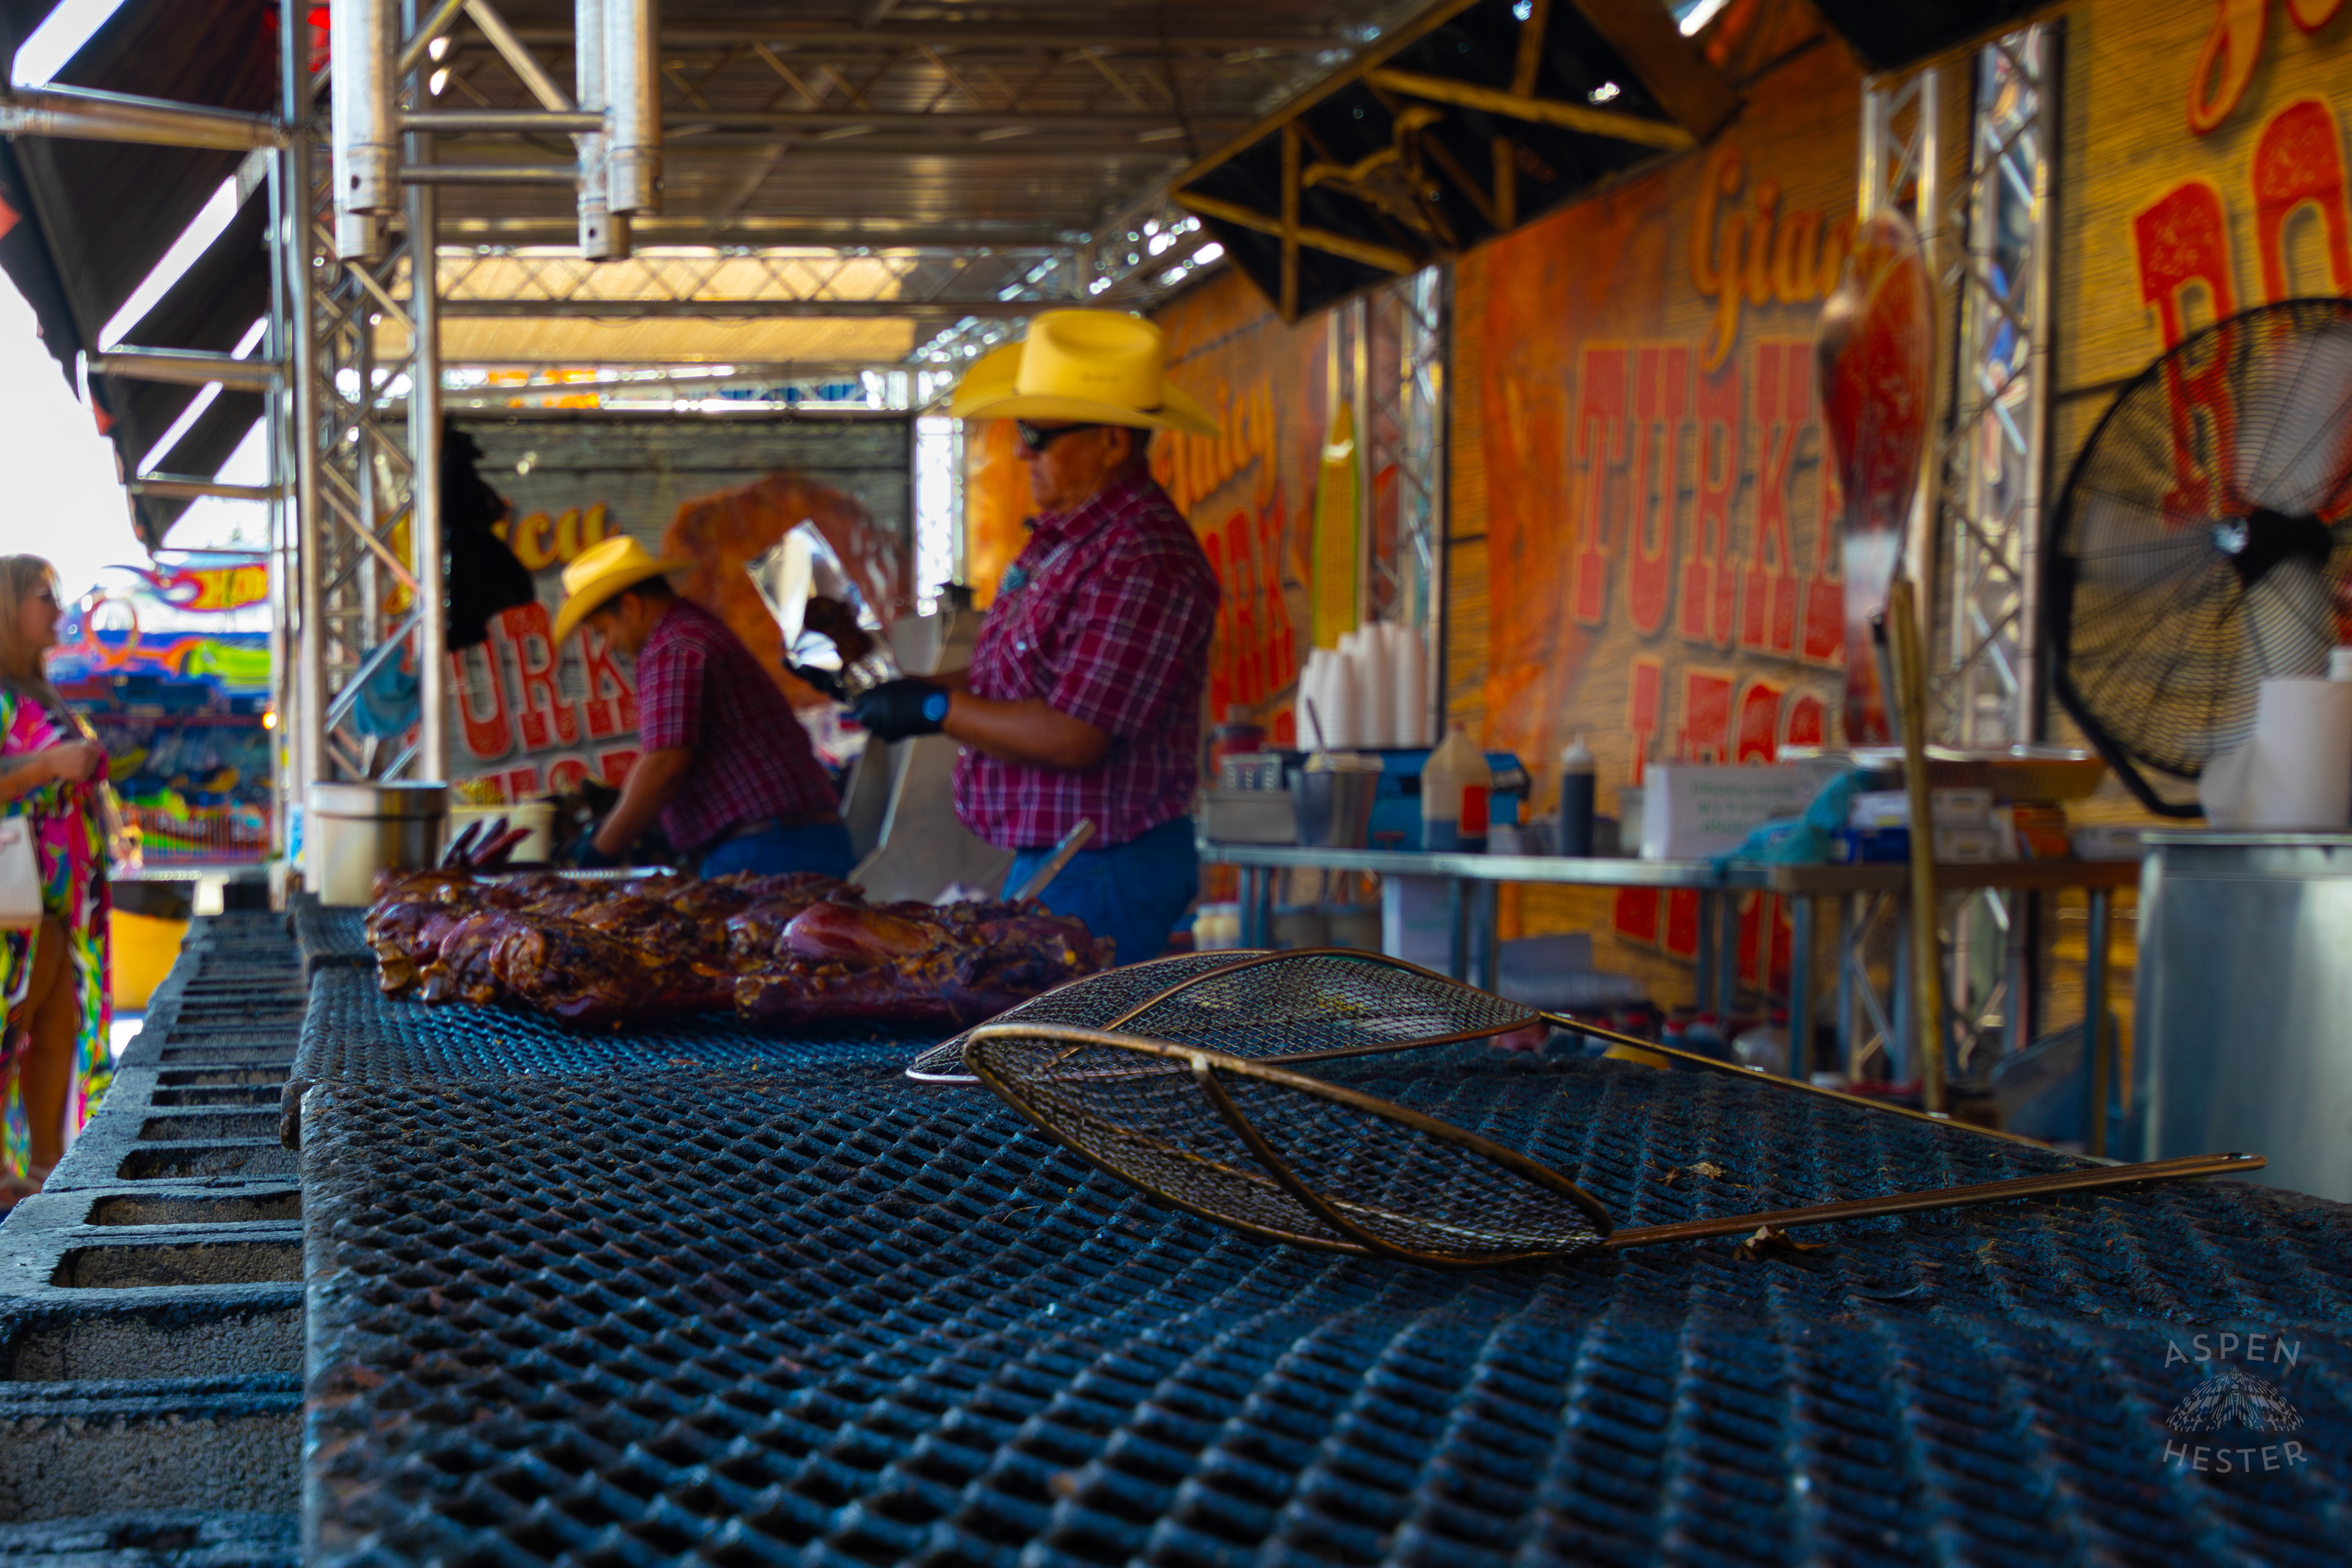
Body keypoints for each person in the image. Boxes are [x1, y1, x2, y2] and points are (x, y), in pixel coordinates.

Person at [854, 310, 1221, 965]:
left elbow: (1076, 733)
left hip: (1104, 865)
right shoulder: (1071, 543)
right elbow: (1017, 680)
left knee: (1070, 1060)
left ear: (1110, 442)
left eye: (1036, 433)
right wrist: (913, 695)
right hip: (1068, 861)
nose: (1020, 450)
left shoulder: (1141, 556)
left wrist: (935, 710)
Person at [550, 536, 854, 879]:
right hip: (786, 840)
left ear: (632, 607)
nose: (608, 647)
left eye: (604, 630)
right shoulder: (688, 632)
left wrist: (600, 851)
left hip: (771, 850)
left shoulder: (675, 645)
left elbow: (664, 766)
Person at [0, 557, 113, 1207]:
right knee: (13, 1030)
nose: (58, 608)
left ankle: (44, 1170)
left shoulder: (37, 689)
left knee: (55, 1026)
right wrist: (50, 763)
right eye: (44, 596)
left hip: (57, 895)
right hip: (16, 898)